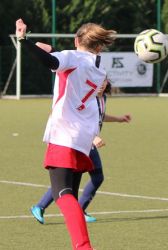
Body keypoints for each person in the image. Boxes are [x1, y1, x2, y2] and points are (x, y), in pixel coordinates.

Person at [16, 18, 116, 249]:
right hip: (83, 139)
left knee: (63, 195)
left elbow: (51, 60)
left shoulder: (72, 57)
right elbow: (62, 59)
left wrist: (24, 40)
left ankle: (83, 247)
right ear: (99, 46)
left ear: (76, 40)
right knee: (68, 192)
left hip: (64, 134)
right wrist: (42, 47)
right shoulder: (98, 68)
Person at [30, 79, 131, 224]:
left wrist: (119, 119)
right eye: (98, 81)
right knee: (67, 181)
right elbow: (78, 121)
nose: (101, 84)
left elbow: (100, 116)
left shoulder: (103, 98)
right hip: (79, 143)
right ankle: (40, 206)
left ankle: (78, 209)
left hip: (88, 145)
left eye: (103, 81)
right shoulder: (86, 99)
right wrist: (93, 137)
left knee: (96, 177)